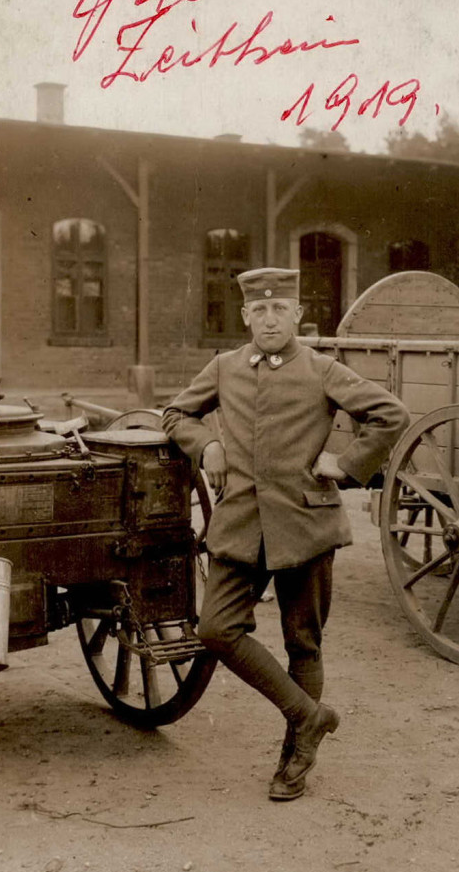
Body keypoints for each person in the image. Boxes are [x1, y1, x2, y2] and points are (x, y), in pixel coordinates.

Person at [162, 268, 409, 801]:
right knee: (215, 629)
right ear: (245, 315)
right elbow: (176, 412)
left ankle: (294, 759)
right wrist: (205, 445)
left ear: (296, 315)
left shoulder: (322, 369)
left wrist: (346, 465)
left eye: (280, 310)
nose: (269, 319)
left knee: (303, 641)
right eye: (259, 310)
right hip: (241, 523)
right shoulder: (225, 367)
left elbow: (390, 415)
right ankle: (309, 716)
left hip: (305, 522)